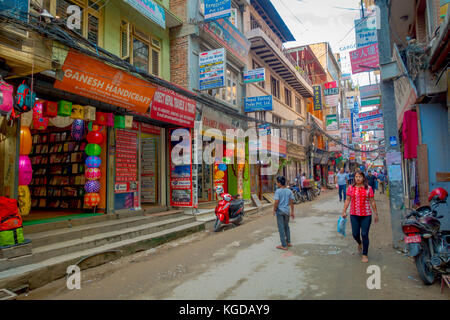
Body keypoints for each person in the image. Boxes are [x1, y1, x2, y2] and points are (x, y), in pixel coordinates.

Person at [341, 171, 379, 263]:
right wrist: (344, 211)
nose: (358, 178)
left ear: (363, 178)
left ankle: (365, 254)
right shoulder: (350, 188)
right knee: (355, 234)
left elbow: (372, 201)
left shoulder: (369, 188)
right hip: (354, 214)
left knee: (365, 234)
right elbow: (347, 200)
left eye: (360, 176)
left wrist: (376, 213)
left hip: (366, 215)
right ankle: (359, 243)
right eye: (356, 176)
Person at [273, 176, 295, 250]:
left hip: (280, 211)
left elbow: (276, 202)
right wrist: (292, 212)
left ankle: (283, 245)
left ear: (279, 183)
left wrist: (274, 210)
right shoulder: (289, 191)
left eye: (277, 182)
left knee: (281, 228)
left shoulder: (278, 191)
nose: (276, 183)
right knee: (286, 227)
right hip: (287, 211)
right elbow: (292, 202)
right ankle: (288, 242)